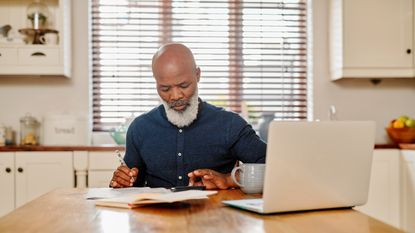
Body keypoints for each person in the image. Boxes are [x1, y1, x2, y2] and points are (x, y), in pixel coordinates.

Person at [110, 43, 266, 190]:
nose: (175, 96)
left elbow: (274, 167)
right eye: (165, 89)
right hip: (157, 217)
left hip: (216, 216)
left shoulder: (231, 124)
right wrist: (123, 181)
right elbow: (131, 185)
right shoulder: (140, 128)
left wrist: (228, 179)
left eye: (184, 86)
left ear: (197, 75)